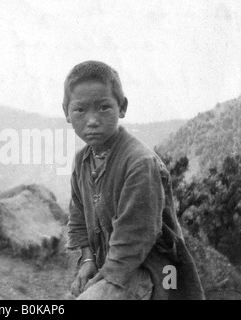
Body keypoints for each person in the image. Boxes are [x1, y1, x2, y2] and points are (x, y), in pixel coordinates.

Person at [63, 60, 205, 300]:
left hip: (151, 269)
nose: (92, 120)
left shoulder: (139, 163)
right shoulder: (82, 162)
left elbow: (135, 235)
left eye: (104, 108)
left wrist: (103, 278)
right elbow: (78, 217)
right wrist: (88, 260)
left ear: (122, 107)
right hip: (114, 266)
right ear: (67, 113)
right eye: (80, 110)